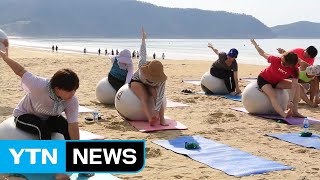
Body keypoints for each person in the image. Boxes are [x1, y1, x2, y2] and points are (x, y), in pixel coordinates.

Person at [0, 49, 91, 180]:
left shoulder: (71, 100)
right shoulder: (39, 85)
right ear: (58, 89)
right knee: (42, 130)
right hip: (24, 115)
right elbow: (20, 71)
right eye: (70, 91)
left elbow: (73, 126)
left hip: (47, 117)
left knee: (65, 127)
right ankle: (55, 170)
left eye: (75, 90)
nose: (73, 94)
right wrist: (4, 57)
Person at [251, 39, 303, 118]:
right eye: (283, 62)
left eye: (286, 65)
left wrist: (290, 101)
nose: (283, 65)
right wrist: (255, 45)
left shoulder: (295, 69)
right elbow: (262, 53)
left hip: (277, 82)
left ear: (291, 65)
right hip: (264, 79)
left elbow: (294, 85)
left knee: (298, 86)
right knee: (272, 95)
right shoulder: (275, 60)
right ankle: (283, 114)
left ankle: (295, 111)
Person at [130, 27, 168, 126]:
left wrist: (156, 111)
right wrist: (143, 39)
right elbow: (143, 52)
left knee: (156, 94)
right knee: (144, 97)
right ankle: (149, 118)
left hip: (150, 84)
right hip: (137, 80)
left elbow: (160, 96)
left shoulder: (161, 80)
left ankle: (162, 119)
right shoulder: (142, 65)